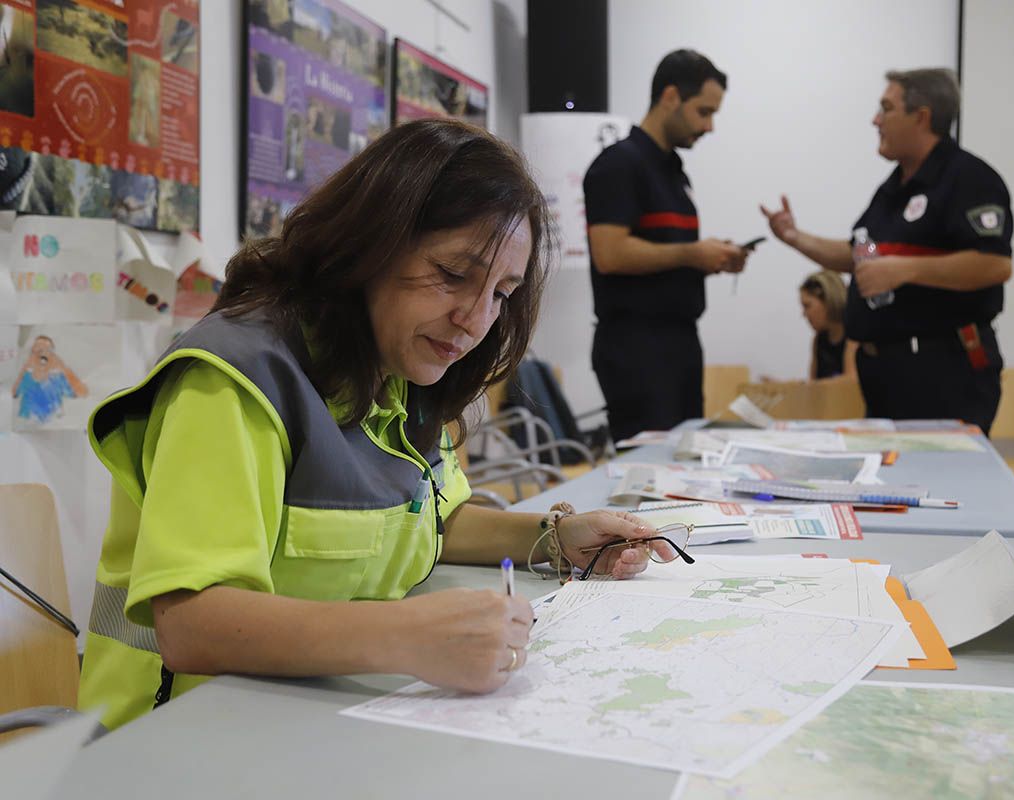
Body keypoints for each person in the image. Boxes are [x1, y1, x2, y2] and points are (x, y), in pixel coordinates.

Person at [78, 120, 672, 732]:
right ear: (368, 245)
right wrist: (409, 635)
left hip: (312, 718)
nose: (475, 321)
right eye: (452, 274)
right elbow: (191, 625)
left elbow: (432, 518)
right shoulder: (235, 379)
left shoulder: (405, 367)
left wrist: (554, 536)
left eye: (501, 293)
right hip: (175, 738)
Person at [761, 68, 1013, 433]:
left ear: (921, 117)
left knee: (940, 481)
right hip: (886, 373)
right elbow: (863, 255)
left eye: (886, 109)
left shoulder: (969, 179)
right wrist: (795, 237)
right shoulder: (892, 189)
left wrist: (905, 270)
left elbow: (994, 264)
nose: (875, 120)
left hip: (943, 371)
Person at [585, 49, 750, 442]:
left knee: (684, 466)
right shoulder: (618, 165)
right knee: (650, 474)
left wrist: (711, 258)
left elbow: (665, 251)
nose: (709, 126)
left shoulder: (673, 171)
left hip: (679, 344)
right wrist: (693, 253)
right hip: (637, 349)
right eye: (704, 112)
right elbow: (609, 254)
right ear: (671, 96)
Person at [12, 335, 88, 423]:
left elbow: (74, 391)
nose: (42, 354)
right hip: (29, 418)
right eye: (37, 350)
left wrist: (63, 369)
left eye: (47, 350)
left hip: (53, 418)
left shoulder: (57, 377)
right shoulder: (27, 376)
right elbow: (16, 390)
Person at [798, 271, 857, 381]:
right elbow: (813, 384)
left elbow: (851, 381)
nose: (804, 314)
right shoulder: (818, 340)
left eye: (807, 306)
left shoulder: (854, 335)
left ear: (828, 300)